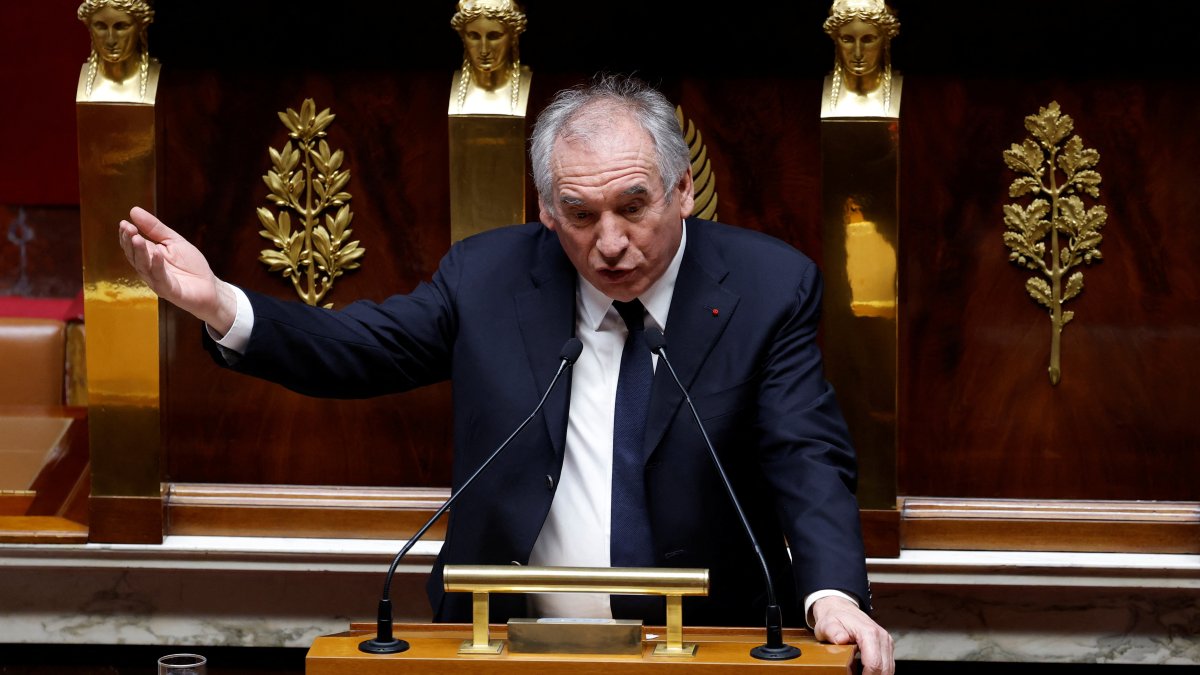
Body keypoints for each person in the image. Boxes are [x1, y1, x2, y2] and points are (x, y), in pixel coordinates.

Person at [118, 75, 894, 674]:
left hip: (704, 650)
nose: (610, 243)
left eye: (633, 207)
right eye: (580, 214)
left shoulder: (767, 287)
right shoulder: (488, 277)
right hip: (499, 648)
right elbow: (360, 347)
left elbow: (806, 454)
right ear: (547, 211)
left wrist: (832, 593)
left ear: (683, 188)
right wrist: (220, 303)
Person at [449, 0, 531, 115]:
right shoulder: (449, 87)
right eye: (474, 36)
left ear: (514, 36)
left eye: (494, 36)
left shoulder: (530, 86)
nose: (484, 50)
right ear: (463, 36)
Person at [821, 0, 901, 118]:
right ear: (836, 40)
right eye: (847, 40)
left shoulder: (907, 92)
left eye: (868, 40)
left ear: (885, 40)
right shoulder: (815, 92)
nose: (858, 54)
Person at [76, 0, 161, 103]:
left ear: (141, 26)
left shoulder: (156, 77)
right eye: (101, 26)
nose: (110, 40)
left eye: (121, 27)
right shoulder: (85, 81)